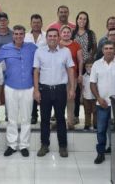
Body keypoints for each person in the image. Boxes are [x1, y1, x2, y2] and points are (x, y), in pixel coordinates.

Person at [0, 25, 37, 157]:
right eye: (16, 34)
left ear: (24, 35)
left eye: (21, 34)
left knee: (26, 118)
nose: (18, 36)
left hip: (28, 88)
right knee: (11, 118)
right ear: (13, 35)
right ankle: (12, 145)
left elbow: (41, 59)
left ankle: (24, 145)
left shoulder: (32, 48)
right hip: (11, 87)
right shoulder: (5, 48)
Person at [34, 28, 75, 158]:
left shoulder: (65, 51)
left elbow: (70, 70)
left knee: (61, 119)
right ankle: (44, 145)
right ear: (46, 38)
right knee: (44, 119)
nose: (52, 38)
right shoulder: (39, 51)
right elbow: (36, 71)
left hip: (60, 90)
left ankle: (63, 146)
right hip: (44, 90)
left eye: (54, 36)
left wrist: (72, 88)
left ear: (58, 38)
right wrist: (36, 90)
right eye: (50, 36)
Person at [90, 41, 115, 164]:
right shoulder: (96, 64)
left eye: (111, 48)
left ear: (114, 50)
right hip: (102, 104)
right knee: (101, 130)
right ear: (102, 50)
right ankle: (100, 153)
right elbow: (92, 84)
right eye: (106, 48)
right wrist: (98, 99)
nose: (108, 50)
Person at [72, 11, 97, 125]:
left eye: (84, 19)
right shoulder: (72, 33)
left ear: (87, 21)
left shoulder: (91, 34)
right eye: (80, 18)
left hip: (88, 67)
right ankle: (76, 115)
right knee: (76, 92)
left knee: (89, 91)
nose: (82, 21)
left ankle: (93, 118)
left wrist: (89, 64)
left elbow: (94, 50)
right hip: (74, 66)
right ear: (77, 20)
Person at [24, 14, 47, 124]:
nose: (36, 24)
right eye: (34, 22)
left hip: (44, 68)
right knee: (32, 90)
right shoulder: (25, 36)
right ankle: (33, 114)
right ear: (31, 23)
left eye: (38, 22)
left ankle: (44, 114)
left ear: (41, 23)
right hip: (29, 67)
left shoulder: (46, 36)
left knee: (43, 91)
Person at [60, 25, 83, 129]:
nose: (66, 34)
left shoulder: (76, 45)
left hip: (72, 76)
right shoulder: (57, 45)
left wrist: (80, 74)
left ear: (70, 34)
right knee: (59, 100)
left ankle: (70, 122)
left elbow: (80, 61)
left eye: (68, 32)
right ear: (60, 34)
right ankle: (59, 121)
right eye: (64, 32)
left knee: (70, 99)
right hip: (59, 77)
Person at [82, 59, 97, 130]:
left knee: (95, 111)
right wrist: (82, 96)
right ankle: (87, 124)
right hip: (86, 97)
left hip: (95, 97)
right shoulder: (83, 77)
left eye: (91, 66)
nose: (89, 68)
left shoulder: (96, 76)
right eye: (87, 66)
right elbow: (82, 86)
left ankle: (95, 124)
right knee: (87, 111)